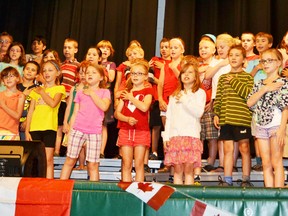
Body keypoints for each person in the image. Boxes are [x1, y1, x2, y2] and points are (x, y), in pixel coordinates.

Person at [60, 62, 111, 181]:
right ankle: (61, 187)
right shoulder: (79, 92)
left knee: (92, 164)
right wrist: (70, 130)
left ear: (101, 77)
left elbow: (104, 107)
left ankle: (94, 192)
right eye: (88, 72)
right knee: (70, 160)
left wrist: (92, 93)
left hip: (94, 132)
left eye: (94, 73)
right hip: (78, 129)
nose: (89, 75)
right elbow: (75, 113)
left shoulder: (105, 92)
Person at [247, 48, 288, 188]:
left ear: (278, 63)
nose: (266, 63)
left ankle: (278, 192)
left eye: (270, 60)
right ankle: (269, 192)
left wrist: (282, 129)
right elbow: (249, 102)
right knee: (266, 162)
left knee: (277, 161)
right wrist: (265, 89)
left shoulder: (283, 82)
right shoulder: (259, 84)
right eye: (263, 61)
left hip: (276, 126)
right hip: (261, 126)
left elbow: (285, 108)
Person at [213, 45, 254, 186]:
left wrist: (234, 81)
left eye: (237, 55)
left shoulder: (248, 77)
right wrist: (217, 114)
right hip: (226, 119)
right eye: (231, 55)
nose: (234, 58)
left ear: (243, 59)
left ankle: (246, 178)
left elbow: (248, 95)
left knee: (244, 148)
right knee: (228, 149)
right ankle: (227, 179)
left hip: (242, 119)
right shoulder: (223, 77)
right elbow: (218, 98)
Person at [162, 58, 206, 185]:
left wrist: (185, 100)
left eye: (190, 72)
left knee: (188, 170)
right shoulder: (174, 95)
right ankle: (178, 200)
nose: (186, 75)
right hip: (175, 137)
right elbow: (169, 117)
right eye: (184, 72)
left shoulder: (199, 93)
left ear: (196, 76)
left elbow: (198, 112)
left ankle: (188, 200)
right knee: (177, 170)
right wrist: (166, 137)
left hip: (191, 135)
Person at [205, 33, 241, 173]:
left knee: (234, 134)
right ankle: (222, 164)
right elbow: (207, 76)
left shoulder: (233, 61)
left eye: (222, 47)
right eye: (218, 47)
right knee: (221, 133)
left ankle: (231, 163)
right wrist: (221, 63)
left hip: (231, 101)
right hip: (217, 100)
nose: (220, 50)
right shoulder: (215, 62)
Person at [25, 60, 66, 179]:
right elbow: (31, 111)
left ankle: (49, 185)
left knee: (48, 159)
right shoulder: (35, 91)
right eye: (44, 70)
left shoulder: (59, 88)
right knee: (34, 160)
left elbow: (53, 103)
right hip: (35, 127)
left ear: (57, 73)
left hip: (49, 128)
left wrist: (42, 91)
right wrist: (27, 130)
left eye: (50, 70)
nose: (47, 73)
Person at [114, 59, 153, 182]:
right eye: (133, 73)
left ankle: (139, 190)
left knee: (139, 164)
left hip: (141, 131)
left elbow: (144, 107)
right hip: (126, 130)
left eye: (139, 73)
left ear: (146, 76)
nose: (135, 76)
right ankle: (126, 188)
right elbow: (117, 113)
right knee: (126, 163)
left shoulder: (148, 91)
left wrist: (131, 97)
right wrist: (126, 119)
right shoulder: (125, 93)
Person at [157, 37, 184, 174]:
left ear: (182, 50)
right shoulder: (165, 65)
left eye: (175, 47)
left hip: (180, 103)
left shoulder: (185, 63)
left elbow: (186, 80)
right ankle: (168, 163)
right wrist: (160, 99)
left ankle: (178, 162)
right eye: (170, 47)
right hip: (166, 102)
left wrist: (175, 69)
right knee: (166, 133)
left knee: (178, 132)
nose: (172, 50)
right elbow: (160, 84)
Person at [247, 32, 273, 172]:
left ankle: (271, 158)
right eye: (257, 41)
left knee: (272, 132)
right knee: (257, 132)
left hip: (271, 101)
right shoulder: (252, 62)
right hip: (256, 101)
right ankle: (259, 160)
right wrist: (256, 68)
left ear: (269, 44)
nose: (260, 43)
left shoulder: (274, 59)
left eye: (263, 41)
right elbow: (246, 80)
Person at [198, 36, 219, 174]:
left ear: (214, 49)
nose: (203, 50)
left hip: (209, 104)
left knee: (212, 135)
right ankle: (197, 160)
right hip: (197, 105)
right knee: (199, 135)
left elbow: (217, 85)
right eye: (200, 48)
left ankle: (211, 161)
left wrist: (213, 101)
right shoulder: (196, 65)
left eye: (206, 47)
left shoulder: (217, 64)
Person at [148, 37, 171, 161]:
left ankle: (169, 153)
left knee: (168, 127)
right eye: (162, 47)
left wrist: (163, 69)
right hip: (157, 98)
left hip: (169, 98)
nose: (164, 49)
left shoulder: (172, 63)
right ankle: (154, 152)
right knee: (155, 126)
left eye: (166, 47)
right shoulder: (155, 60)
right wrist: (148, 66)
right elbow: (148, 77)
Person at [62, 61, 88, 170]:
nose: (82, 75)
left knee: (85, 144)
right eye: (80, 72)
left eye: (85, 73)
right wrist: (65, 122)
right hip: (73, 119)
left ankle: (86, 164)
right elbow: (69, 107)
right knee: (76, 144)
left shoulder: (91, 89)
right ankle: (79, 164)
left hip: (85, 120)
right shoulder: (74, 88)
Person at [97, 40, 117, 158]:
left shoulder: (111, 65)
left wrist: (102, 71)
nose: (104, 50)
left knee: (103, 124)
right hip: (93, 95)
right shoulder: (93, 62)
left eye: (107, 48)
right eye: (102, 48)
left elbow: (110, 78)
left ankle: (101, 151)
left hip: (104, 95)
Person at [17, 61, 40, 140]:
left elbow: (37, 109)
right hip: (14, 122)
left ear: (37, 75)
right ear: (23, 71)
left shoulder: (38, 89)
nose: (29, 71)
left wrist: (27, 121)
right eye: (27, 69)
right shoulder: (15, 86)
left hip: (28, 123)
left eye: (33, 70)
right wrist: (23, 94)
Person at [0, 67, 25, 140]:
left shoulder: (20, 95)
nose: (8, 79)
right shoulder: (0, 95)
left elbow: (17, 115)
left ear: (17, 79)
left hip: (11, 133)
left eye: (11, 76)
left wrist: (3, 106)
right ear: (2, 81)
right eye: (5, 77)